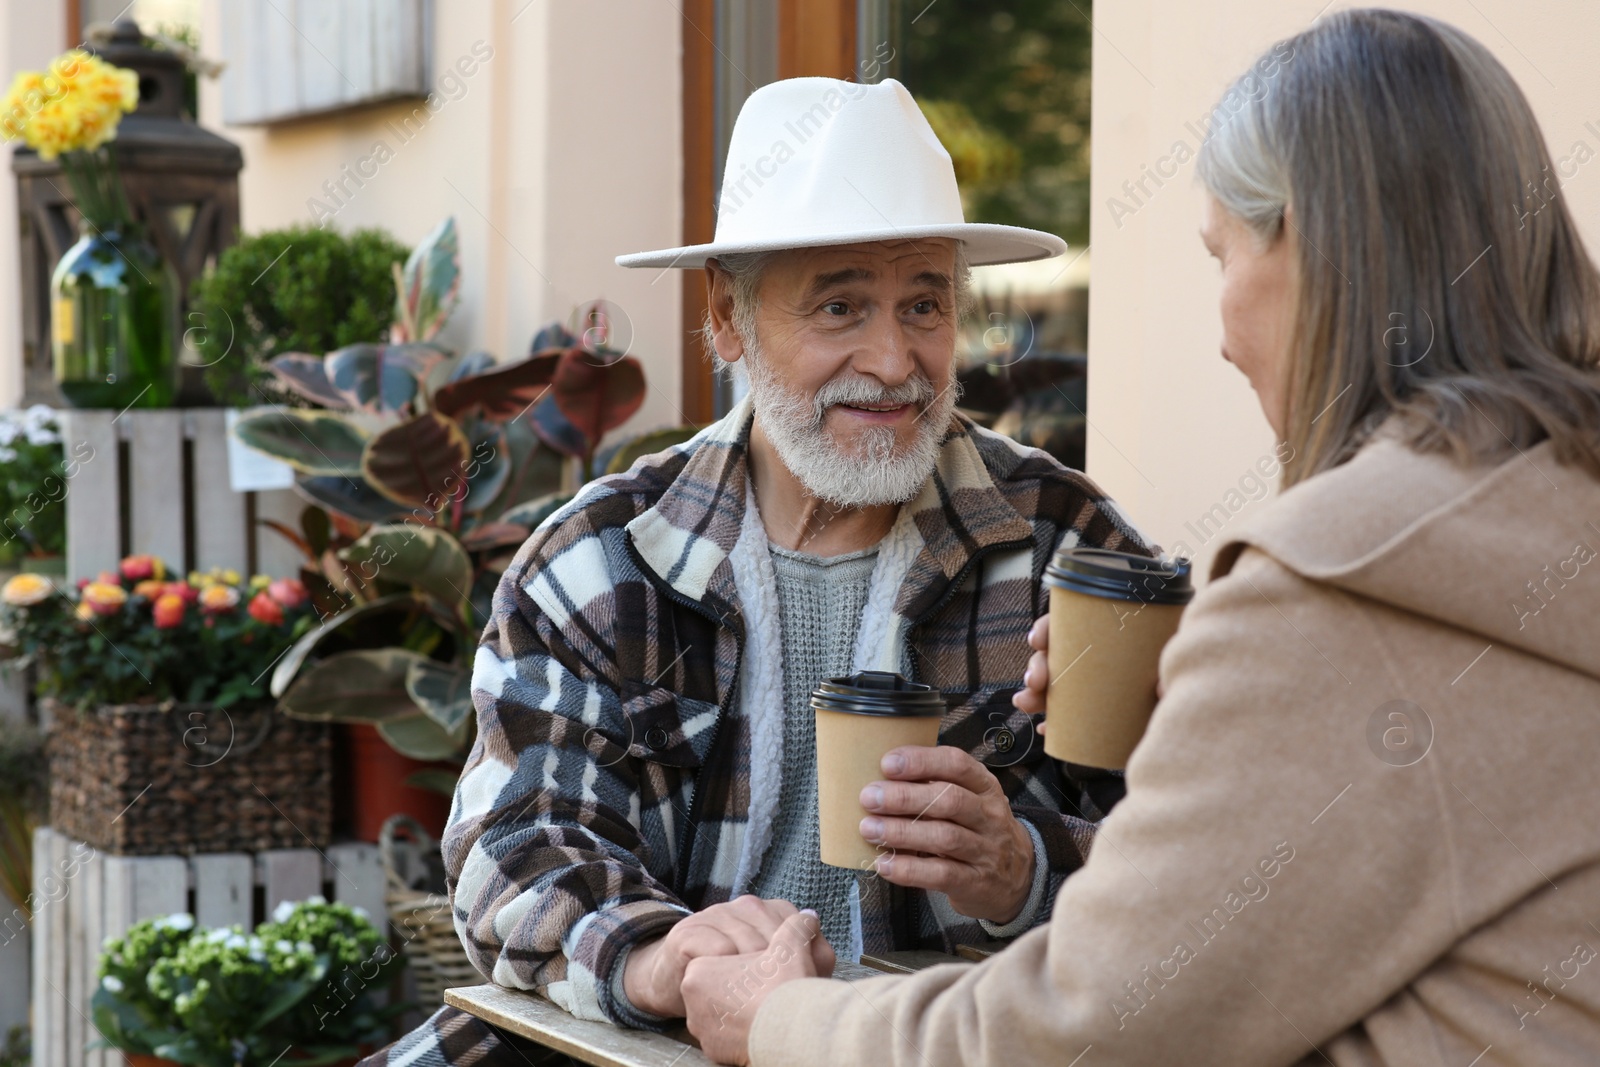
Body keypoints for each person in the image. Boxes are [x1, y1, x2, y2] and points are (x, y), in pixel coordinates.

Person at [679, 9, 1600, 1065]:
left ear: (1308, 241)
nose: (1218, 332)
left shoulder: (1322, 585)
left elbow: (1084, 1027)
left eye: (1221, 256)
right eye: (839, 307)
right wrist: (1217, 697)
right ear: (729, 319)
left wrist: (779, 1018)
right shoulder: (1511, 525)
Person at [359, 77, 1151, 1065]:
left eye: (924, 302)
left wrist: (1025, 866)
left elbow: (1199, 856)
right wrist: (664, 958)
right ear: (727, 318)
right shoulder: (600, 559)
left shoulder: (1063, 546)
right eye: (840, 304)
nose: (895, 358)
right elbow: (514, 849)